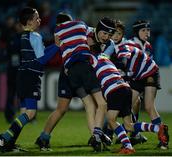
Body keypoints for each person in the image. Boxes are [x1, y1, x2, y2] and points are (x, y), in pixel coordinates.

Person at [35, 13, 114, 152]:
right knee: (95, 105)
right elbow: (95, 35)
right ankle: (97, 135)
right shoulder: (82, 28)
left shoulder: (59, 34)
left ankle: (44, 137)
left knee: (62, 109)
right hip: (81, 69)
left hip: (68, 72)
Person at [0, 7, 57, 152]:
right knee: (31, 112)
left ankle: (9, 143)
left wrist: (55, 46)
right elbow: (42, 60)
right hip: (30, 77)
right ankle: (5, 138)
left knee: (24, 112)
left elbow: (38, 55)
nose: (39, 20)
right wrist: (57, 47)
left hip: (22, 75)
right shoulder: (35, 36)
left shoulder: (24, 36)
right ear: (29, 21)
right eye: (37, 18)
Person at [85, 52, 169, 154]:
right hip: (126, 88)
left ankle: (128, 146)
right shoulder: (106, 59)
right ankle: (157, 128)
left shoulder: (92, 58)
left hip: (114, 89)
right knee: (128, 125)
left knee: (111, 120)